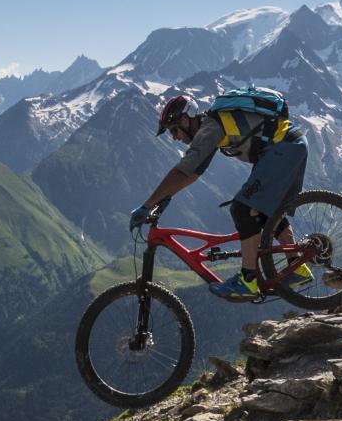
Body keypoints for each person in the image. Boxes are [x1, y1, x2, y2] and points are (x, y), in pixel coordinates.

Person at [132, 92, 311, 301]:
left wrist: (147, 205)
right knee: (261, 210)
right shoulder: (212, 127)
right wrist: (165, 197)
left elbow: (183, 171)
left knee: (242, 209)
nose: (175, 137)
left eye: (174, 130)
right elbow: (194, 173)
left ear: (184, 119)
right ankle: (297, 266)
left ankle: (248, 280)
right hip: (290, 145)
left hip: (283, 148)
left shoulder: (210, 128)